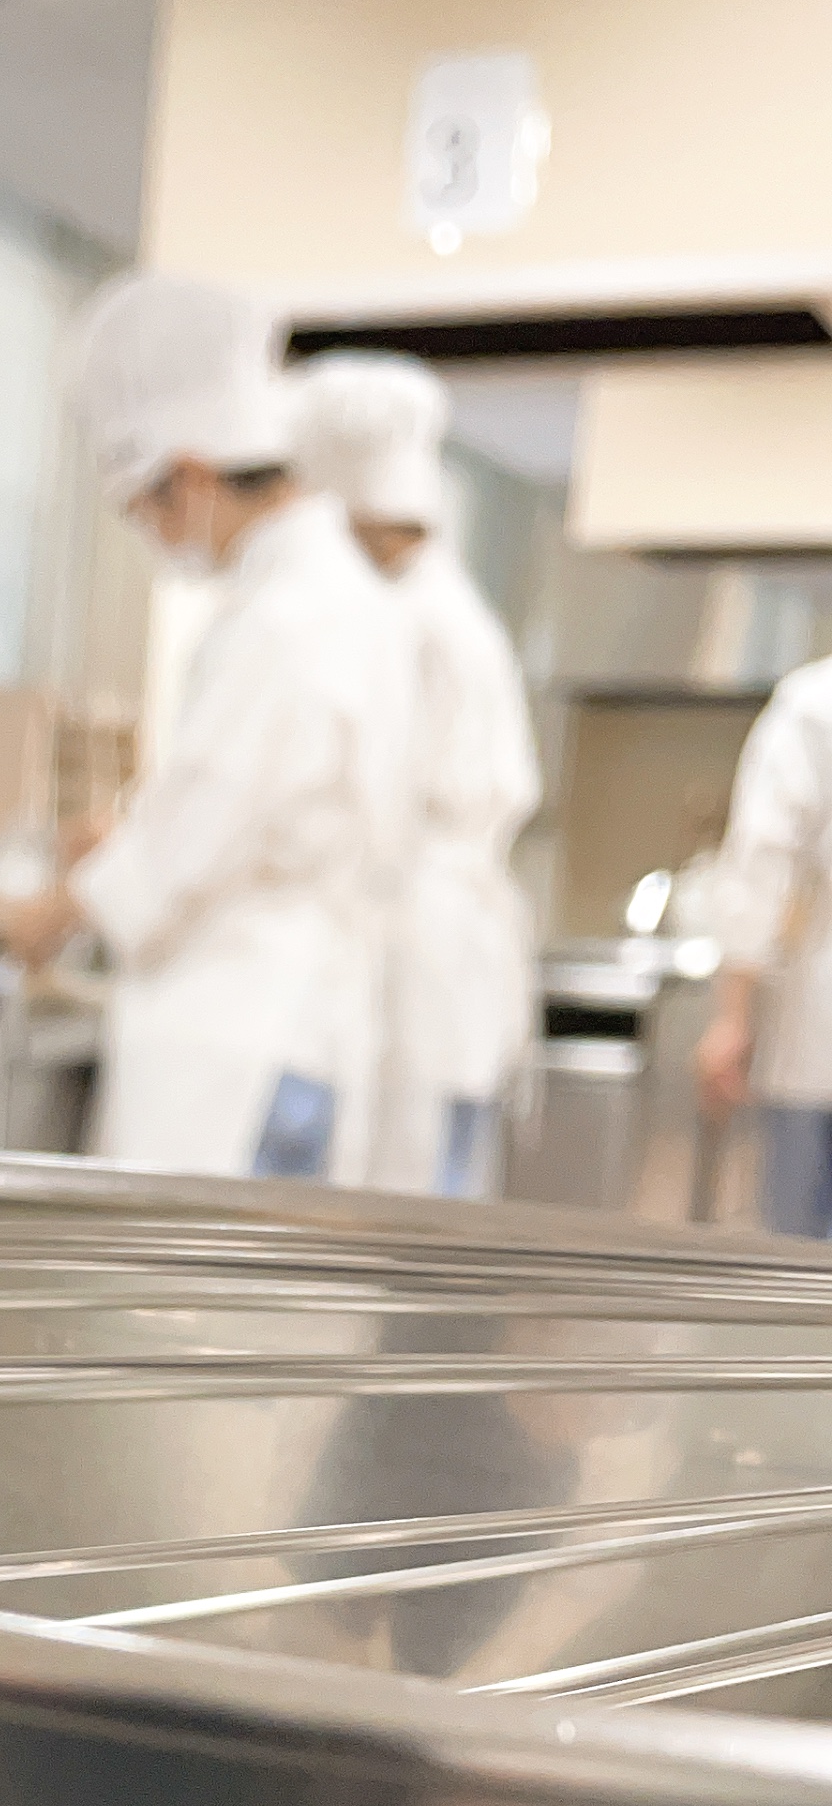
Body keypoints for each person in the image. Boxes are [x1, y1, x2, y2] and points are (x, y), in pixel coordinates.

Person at [5, 275, 411, 1185]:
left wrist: (60, 910)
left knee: (208, 1279)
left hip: (240, 1037)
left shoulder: (286, 615)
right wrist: (126, 844)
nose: (153, 534)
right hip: (297, 1023)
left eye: (142, 510)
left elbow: (199, 832)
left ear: (189, 478)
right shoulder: (341, 595)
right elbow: (247, 807)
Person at [292, 352, 541, 1202]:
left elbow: (361, 801)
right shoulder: (448, 610)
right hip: (446, 950)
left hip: (422, 950)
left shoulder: (412, 623)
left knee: (409, 1195)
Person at [695, 663, 832, 1235]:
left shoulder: (815, 702)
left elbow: (763, 863)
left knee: (800, 1261)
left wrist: (732, 1017)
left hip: (819, 1041)